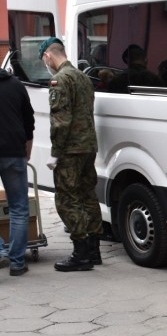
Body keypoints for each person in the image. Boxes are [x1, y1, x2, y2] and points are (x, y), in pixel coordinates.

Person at [39, 37, 104, 271]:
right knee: (88, 194)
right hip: (88, 147)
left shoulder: (60, 80)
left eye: (44, 60)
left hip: (70, 149)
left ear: (48, 56)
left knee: (67, 198)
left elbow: (61, 122)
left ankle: (81, 254)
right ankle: (94, 250)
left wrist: (55, 153)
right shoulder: (84, 78)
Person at [0, 68, 35, 276]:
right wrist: (27, 150)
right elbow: (28, 121)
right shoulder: (15, 85)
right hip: (14, 152)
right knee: (19, 208)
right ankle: (17, 263)